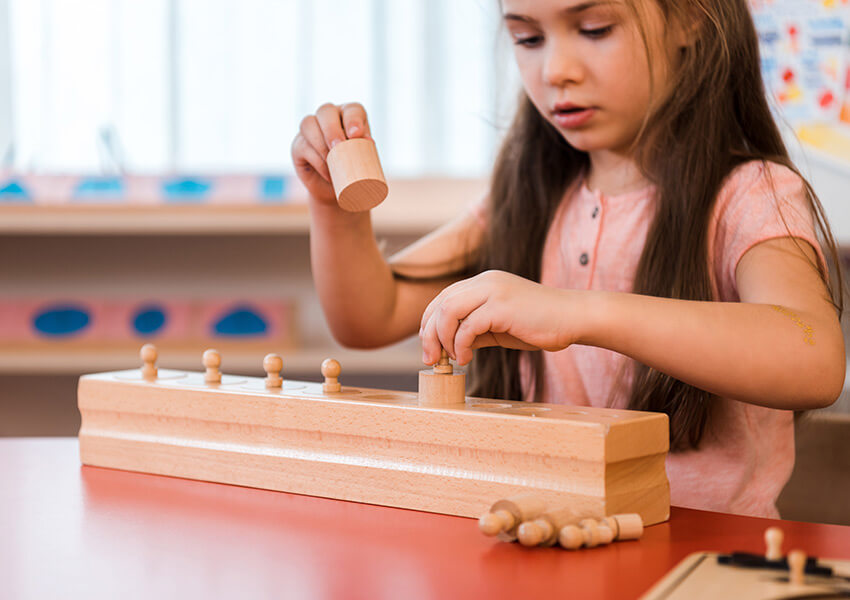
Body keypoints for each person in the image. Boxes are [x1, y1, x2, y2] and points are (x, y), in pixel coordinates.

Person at [290, 0, 845, 518]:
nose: (555, 70)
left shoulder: (750, 194)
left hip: (699, 560)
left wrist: (579, 313)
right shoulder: (524, 199)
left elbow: (814, 358)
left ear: (689, 19)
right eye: (527, 38)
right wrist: (334, 207)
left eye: (595, 29)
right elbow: (369, 316)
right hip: (544, 542)